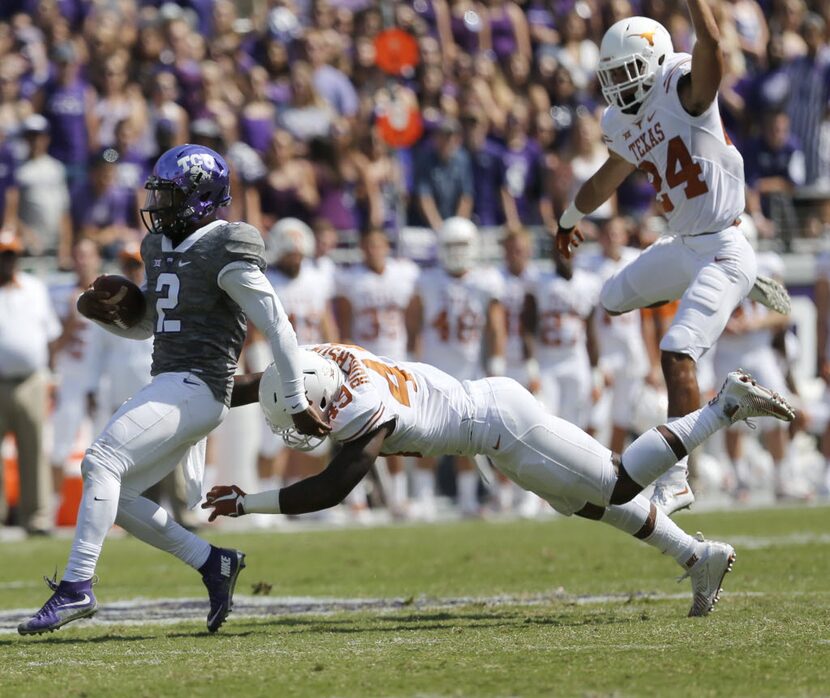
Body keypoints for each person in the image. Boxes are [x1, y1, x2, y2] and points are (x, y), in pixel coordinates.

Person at [204, 344, 794, 617]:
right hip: (490, 421)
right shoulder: (310, 362)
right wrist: (188, 408)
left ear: (328, 398)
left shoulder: (361, 410)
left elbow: (332, 488)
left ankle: (725, 406)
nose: (305, 426)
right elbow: (256, 384)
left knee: (616, 485)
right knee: (582, 505)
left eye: (307, 417)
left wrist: (246, 502)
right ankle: (698, 558)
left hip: (503, 427)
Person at [18, 144, 329, 636]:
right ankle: (211, 562)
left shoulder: (228, 243)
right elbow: (154, 327)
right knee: (115, 492)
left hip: (200, 385)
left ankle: (77, 586)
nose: (157, 206)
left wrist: (294, 399)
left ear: (201, 197)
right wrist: (113, 318)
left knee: (100, 462)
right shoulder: (158, 247)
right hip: (170, 383)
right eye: (157, 195)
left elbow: (277, 325)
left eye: (168, 195)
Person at [554, 4, 791, 517]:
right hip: (684, 244)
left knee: (676, 351)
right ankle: (745, 282)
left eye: (628, 72)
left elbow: (712, 41)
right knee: (611, 298)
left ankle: (679, 479)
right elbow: (607, 177)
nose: (619, 85)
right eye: (612, 76)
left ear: (657, 60)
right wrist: (569, 219)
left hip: (723, 245)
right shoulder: (620, 121)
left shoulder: (686, 91)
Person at [0, 231, 61, 535]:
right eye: (3, 255)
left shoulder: (35, 288)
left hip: (31, 380)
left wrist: (52, 374)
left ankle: (37, 518)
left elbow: (50, 335)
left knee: (35, 451)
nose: (7, 261)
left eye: (11, 254)